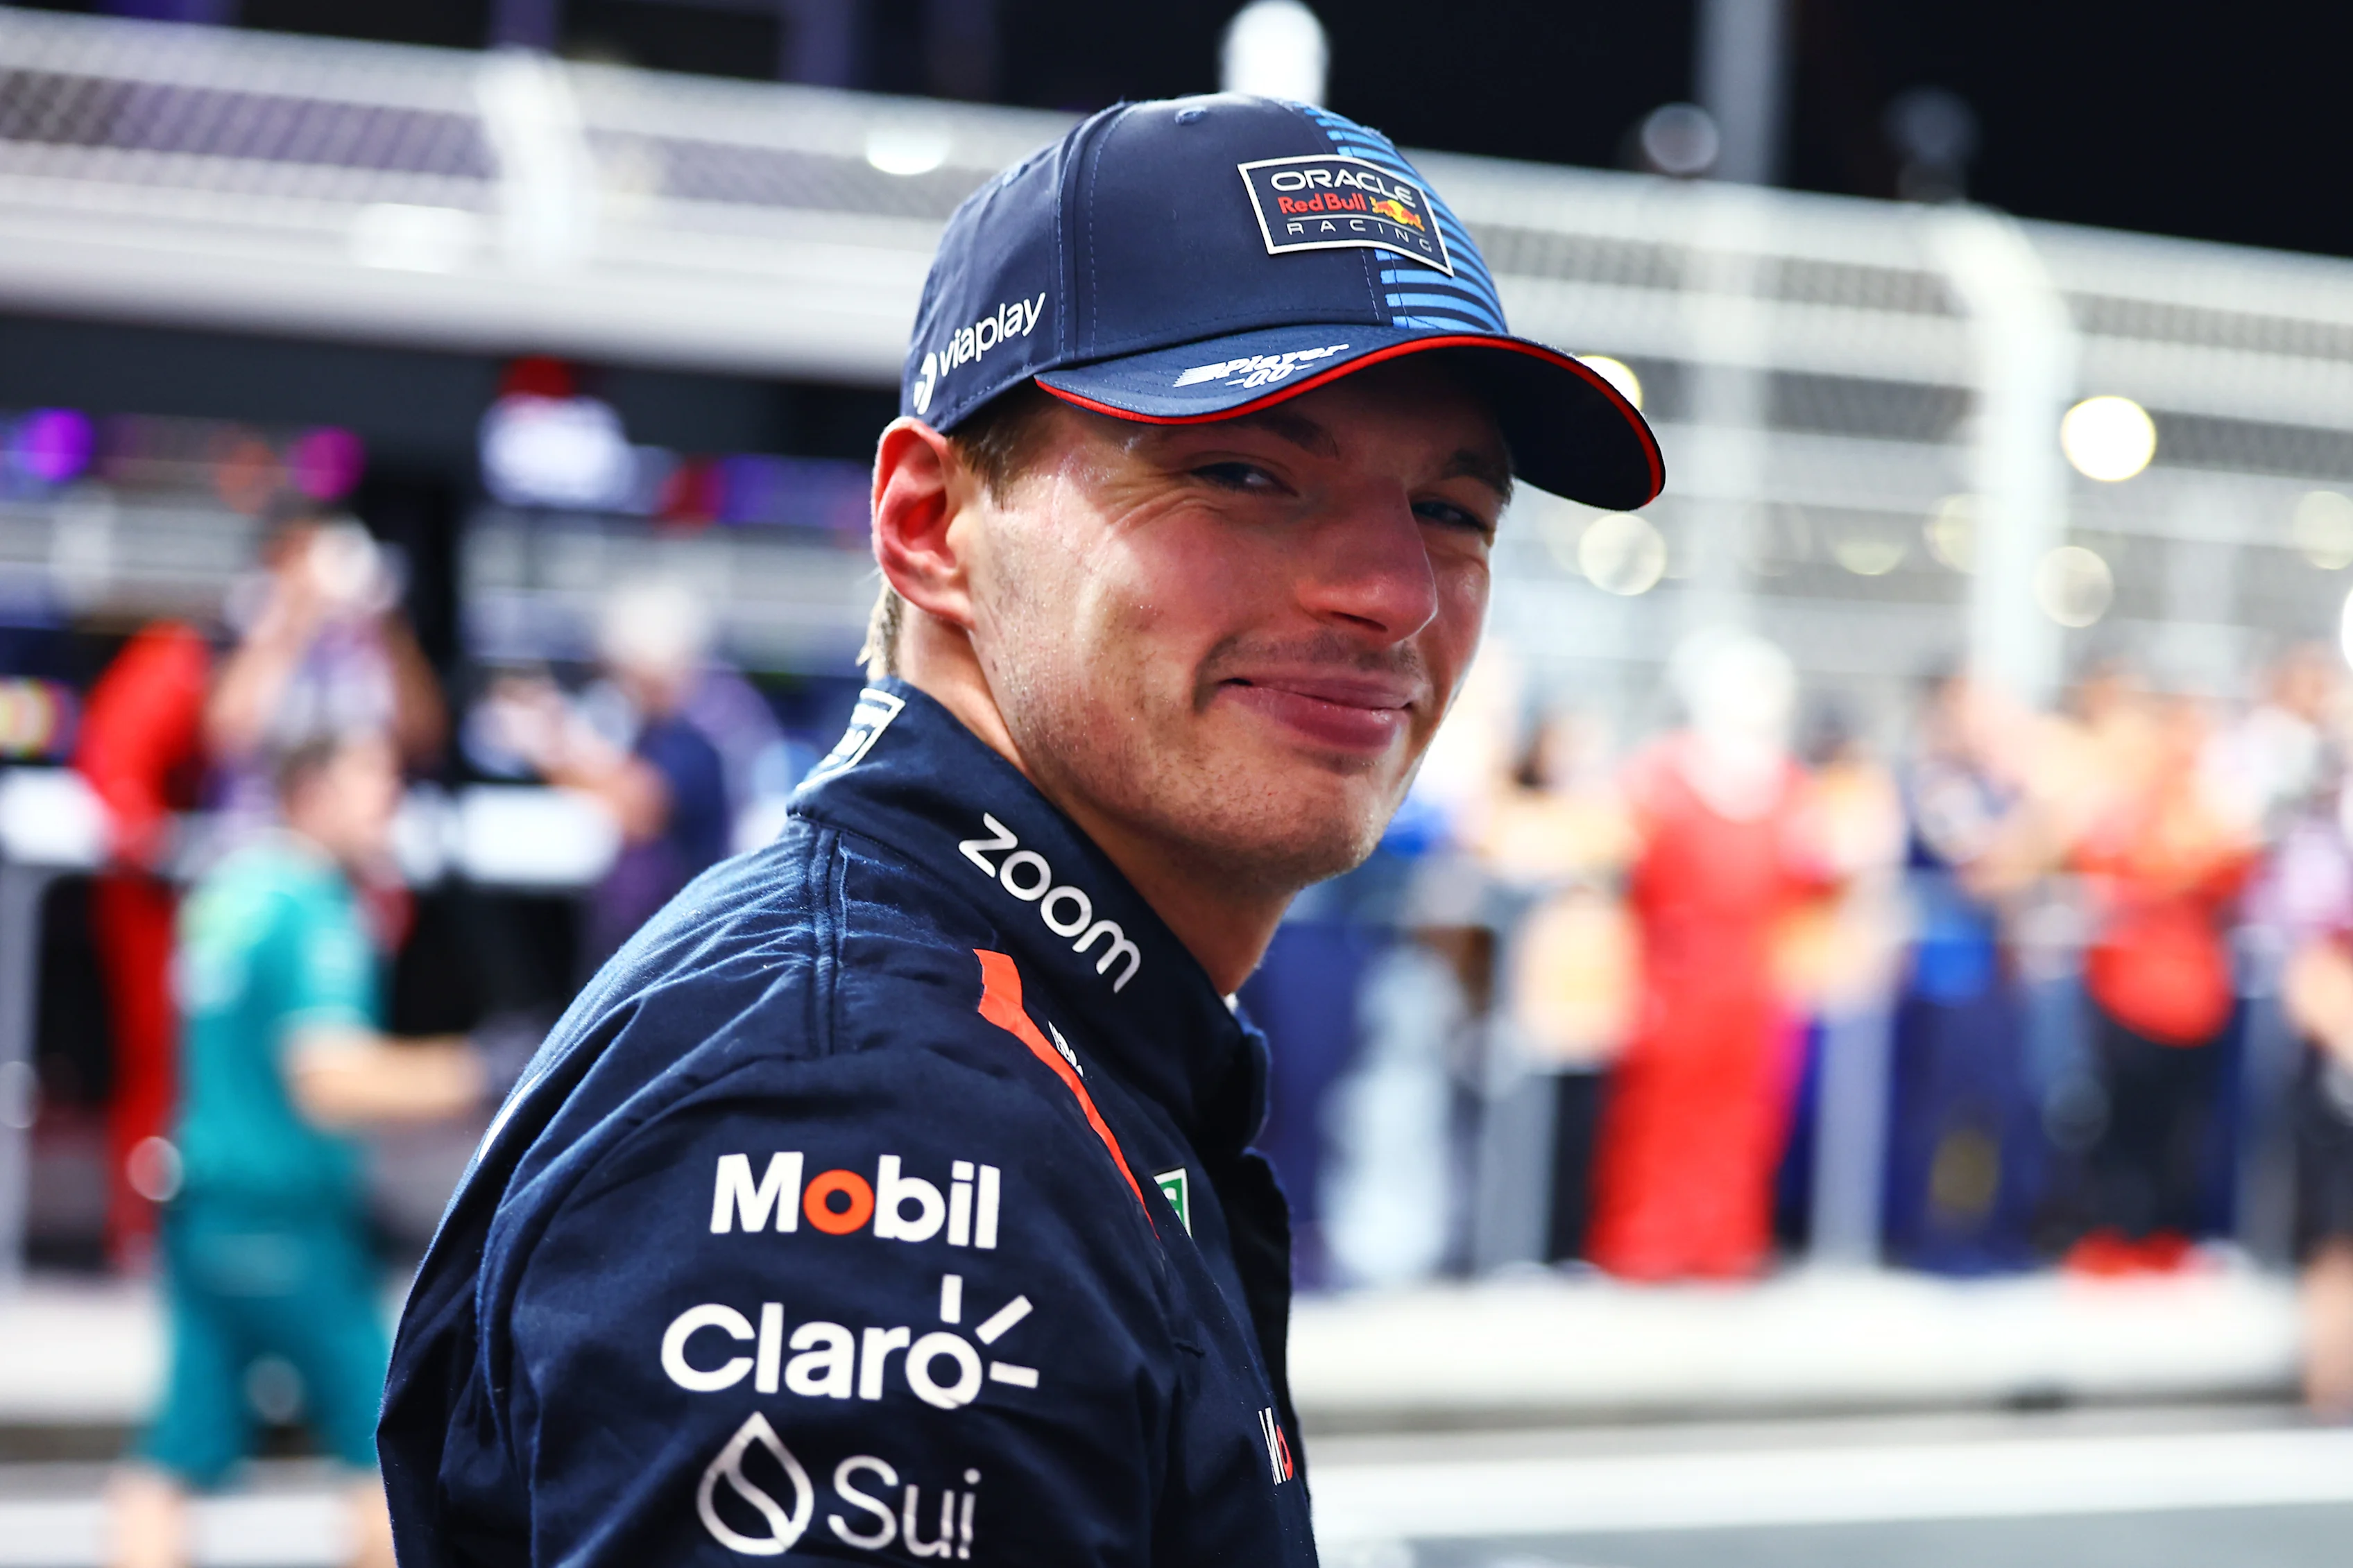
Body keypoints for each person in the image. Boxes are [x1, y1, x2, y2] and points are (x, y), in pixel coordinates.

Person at [379, 93, 1661, 1564]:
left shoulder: (1011, 1026)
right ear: (932, 526)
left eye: (1451, 511)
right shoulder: (870, 1106)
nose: (1392, 591)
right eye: (1241, 470)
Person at [108, 733, 505, 1568]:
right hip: (288, 1222)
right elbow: (328, 1078)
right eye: (374, 777)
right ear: (312, 790)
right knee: (390, 1457)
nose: (389, 800)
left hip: (201, 1204)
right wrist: (488, 1071)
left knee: (174, 1454)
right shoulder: (315, 906)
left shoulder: (229, 887)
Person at [1584, 632, 1836, 1281]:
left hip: (1752, 979)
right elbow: (1611, 865)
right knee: (1657, 1112)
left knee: (1745, 1114)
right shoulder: (1658, 774)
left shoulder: (1789, 785)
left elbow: (1816, 876)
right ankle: (1645, 1242)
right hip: (1671, 970)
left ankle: (1723, 1241)